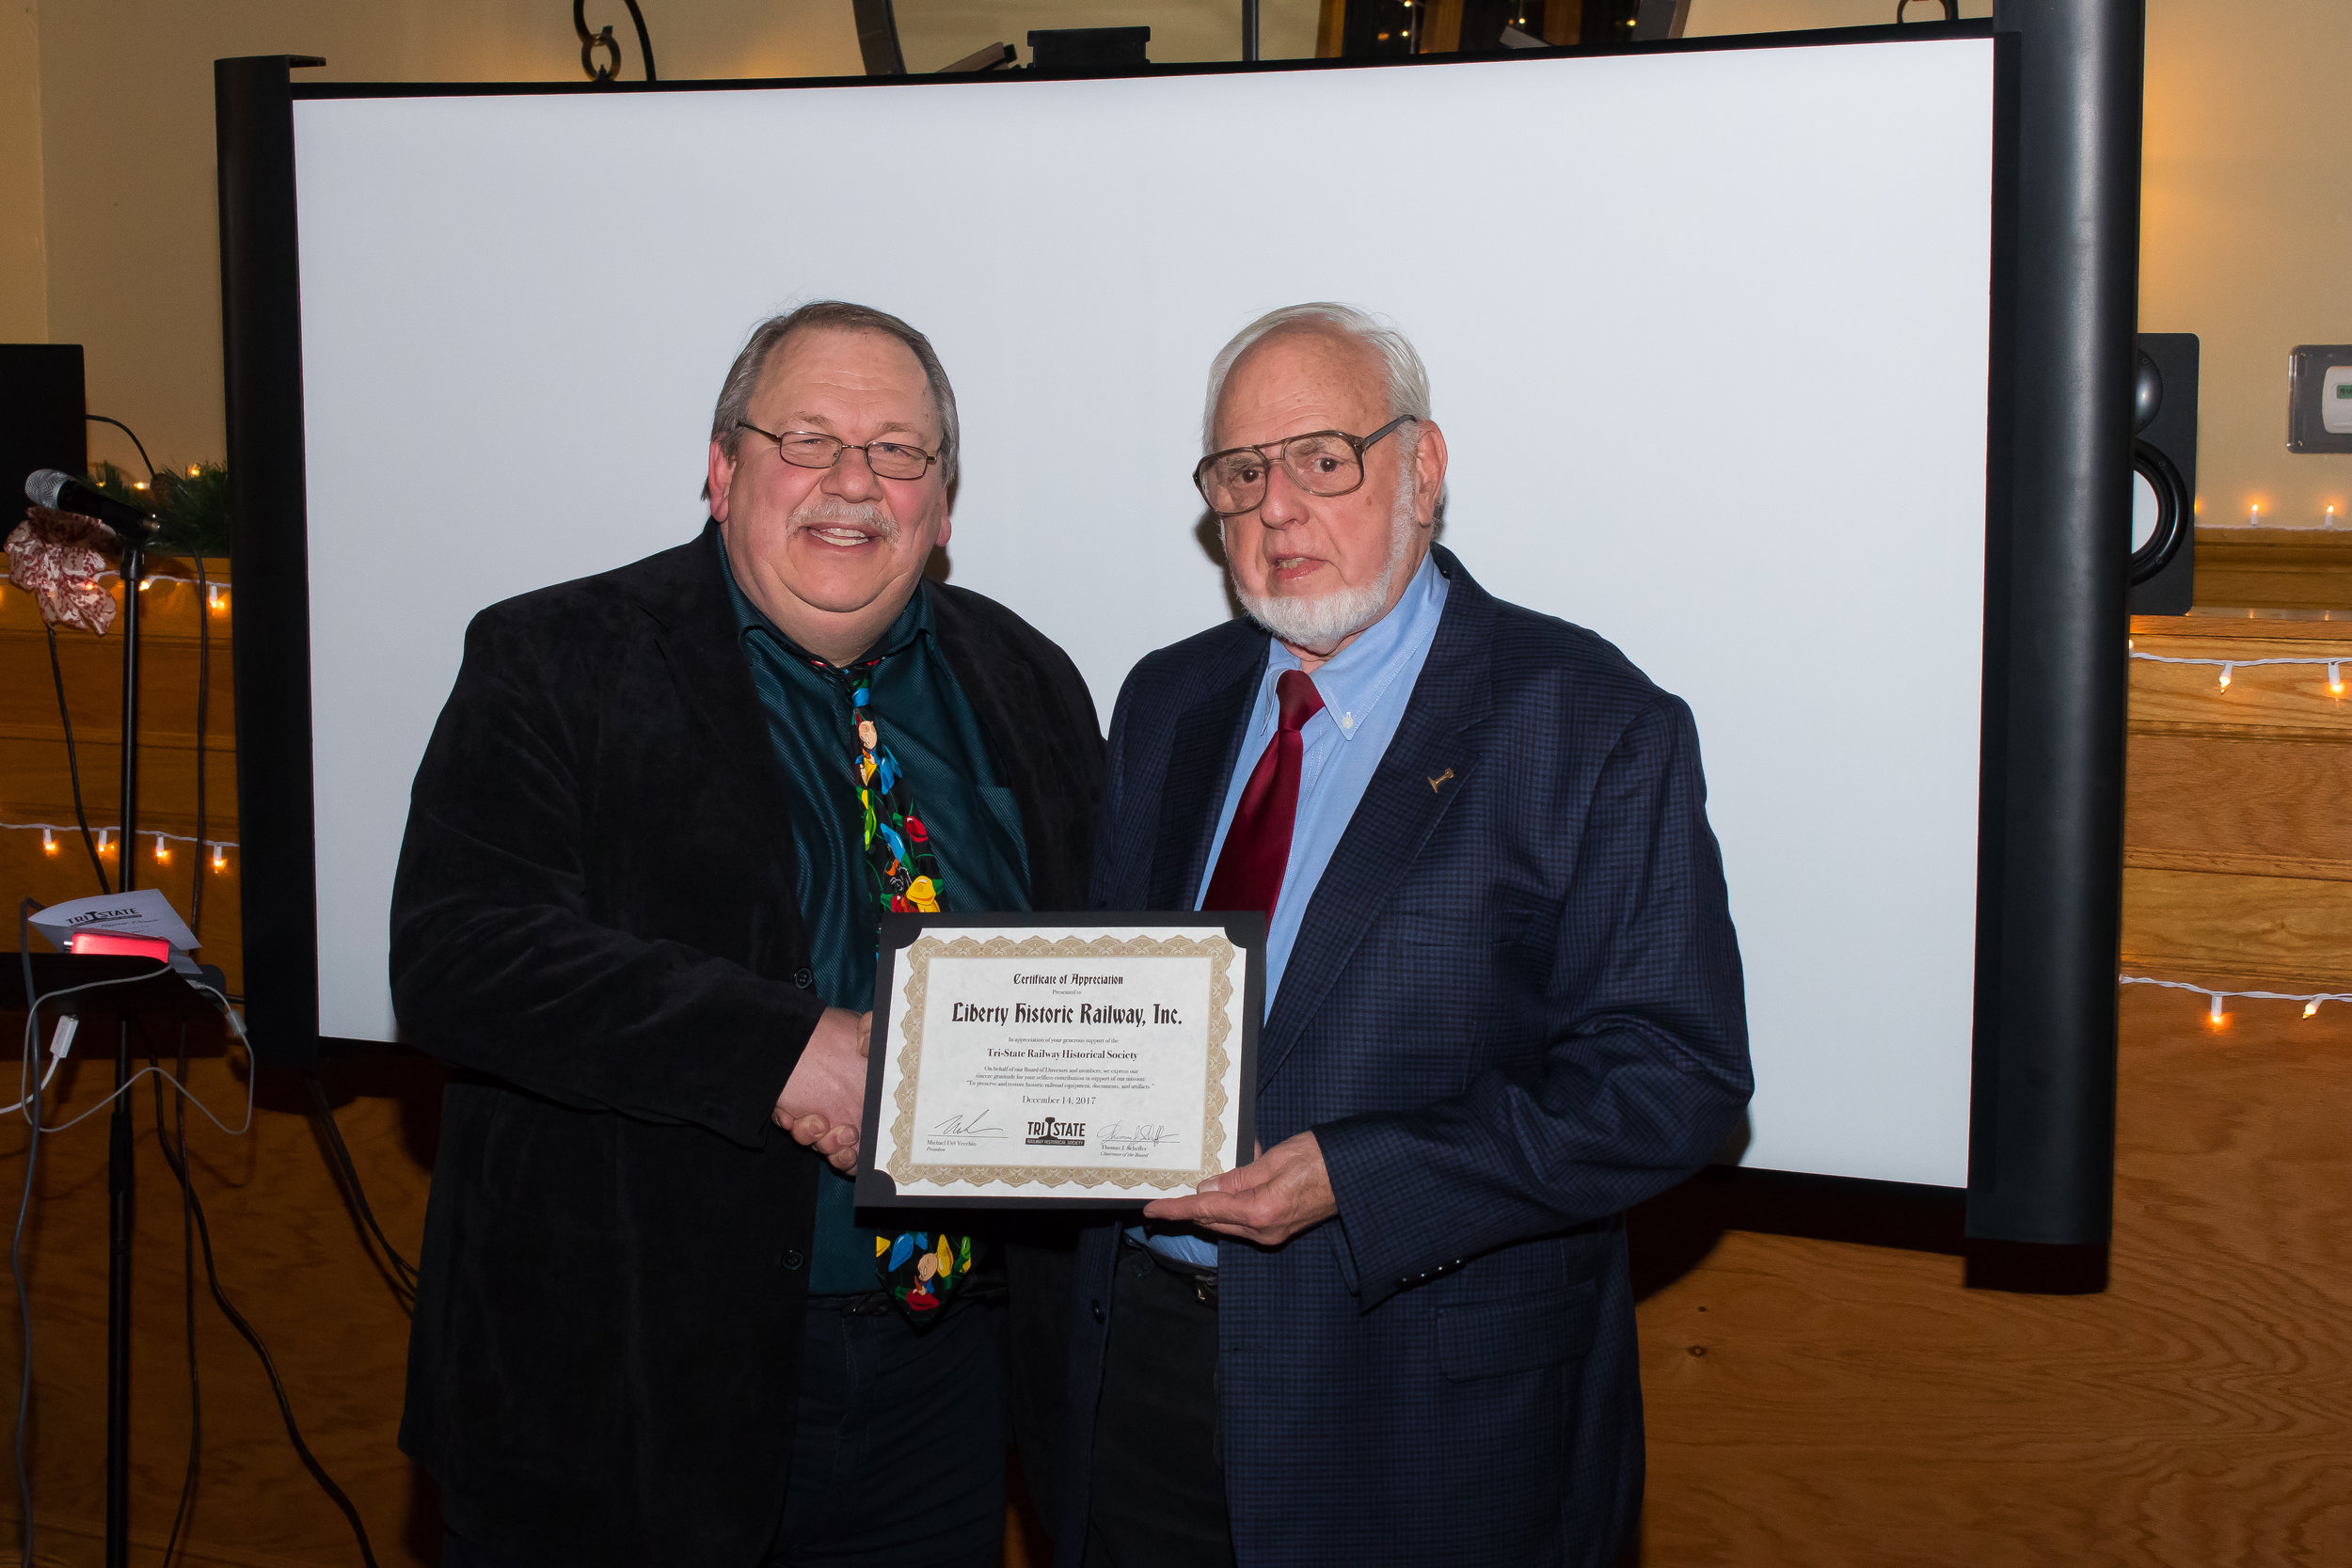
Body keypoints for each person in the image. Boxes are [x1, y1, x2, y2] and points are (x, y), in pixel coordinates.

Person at [391, 301, 1101, 1566]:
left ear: (941, 503)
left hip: (945, 1384)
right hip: (627, 1396)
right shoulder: (560, 659)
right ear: (724, 469)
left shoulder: (1028, 680)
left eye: (898, 452)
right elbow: (462, 955)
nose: (851, 483)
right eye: (807, 439)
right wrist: (789, 1050)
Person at [1059, 303, 1752, 1567]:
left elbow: (1674, 1081)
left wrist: (1360, 1176)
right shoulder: (1170, 701)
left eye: (1325, 459)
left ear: (1422, 471)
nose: (1277, 509)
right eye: (1241, 473)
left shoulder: (1590, 723)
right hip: (1141, 1389)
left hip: (1422, 1421)